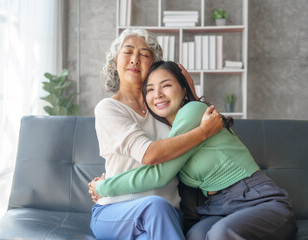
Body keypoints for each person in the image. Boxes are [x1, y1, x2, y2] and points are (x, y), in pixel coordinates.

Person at [90, 61, 297, 240]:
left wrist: (103, 187)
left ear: (183, 88)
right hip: (218, 208)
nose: (158, 94)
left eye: (166, 85)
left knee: (219, 234)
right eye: (150, 90)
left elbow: (159, 174)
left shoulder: (193, 111)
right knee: (195, 236)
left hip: (258, 199)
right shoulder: (172, 135)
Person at [88, 29, 223, 240]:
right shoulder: (108, 108)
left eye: (144, 54)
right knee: (155, 206)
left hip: (167, 214)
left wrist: (192, 95)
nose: (135, 59)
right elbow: (149, 154)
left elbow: (205, 123)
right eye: (128, 52)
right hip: (114, 211)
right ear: (115, 62)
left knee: (156, 217)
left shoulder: (163, 108)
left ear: (153, 66)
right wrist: (203, 132)